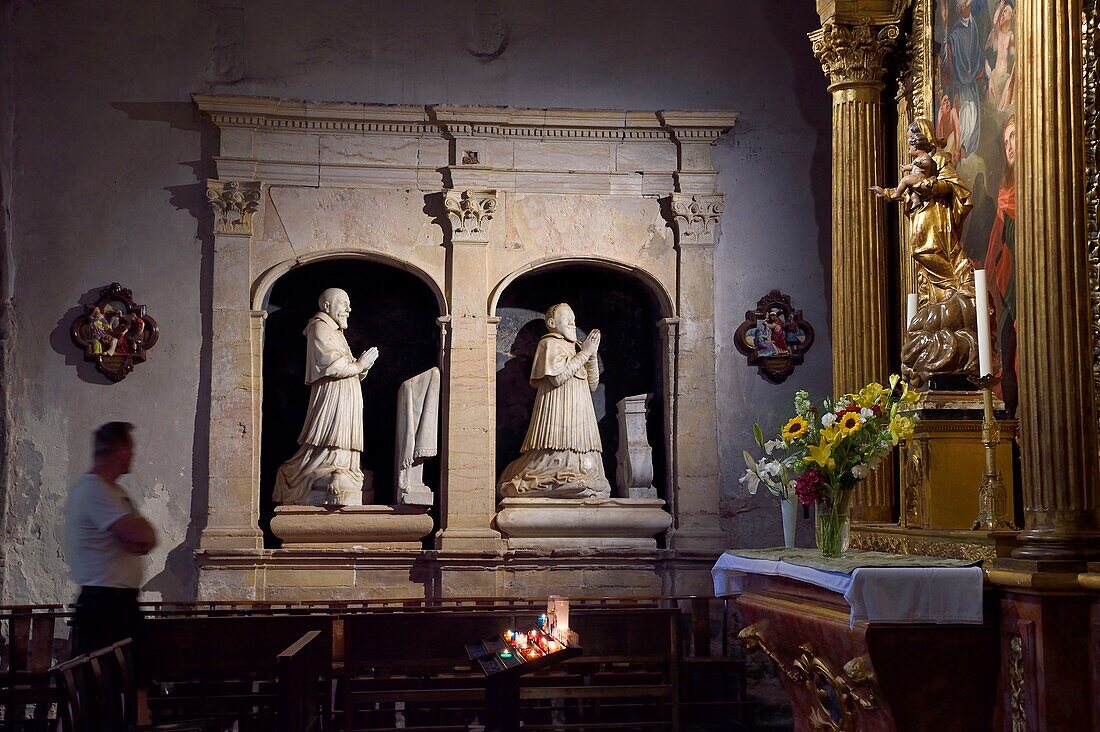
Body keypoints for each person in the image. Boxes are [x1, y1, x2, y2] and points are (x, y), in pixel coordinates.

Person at [63, 421, 157, 724]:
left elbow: (145, 538)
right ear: (118, 450)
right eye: (129, 448)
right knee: (104, 692)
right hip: (104, 604)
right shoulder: (94, 490)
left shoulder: (113, 491)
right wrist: (132, 534)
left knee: (136, 685)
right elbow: (142, 536)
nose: (132, 455)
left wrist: (134, 535)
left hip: (119, 603)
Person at [274, 288, 379, 506]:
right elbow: (329, 364)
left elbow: (346, 364)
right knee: (331, 431)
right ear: (327, 306)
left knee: (345, 433)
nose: (349, 309)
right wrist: (360, 365)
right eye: (343, 303)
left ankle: (343, 467)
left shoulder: (336, 331)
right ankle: (319, 470)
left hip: (346, 393)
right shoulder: (319, 326)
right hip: (332, 394)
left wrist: (361, 366)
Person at [498, 303, 611, 498]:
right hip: (558, 410)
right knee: (553, 457)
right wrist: (585, 353)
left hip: (580, 411)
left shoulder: (576, 347)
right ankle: (553, 478)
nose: (572, 323)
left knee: (588, 464)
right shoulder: (549, 344)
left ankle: (579, 478)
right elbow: (557, 378)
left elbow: (592, 384)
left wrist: (590, 354)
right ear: (552, 322)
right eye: (567, 319)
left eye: (573, 320)